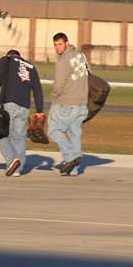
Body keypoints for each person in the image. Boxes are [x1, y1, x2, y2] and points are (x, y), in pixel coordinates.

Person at [0, 49, 44, 177]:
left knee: (0, 134)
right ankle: (17, 169)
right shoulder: (31, 67)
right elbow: (37, 90)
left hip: (8, 103)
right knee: (19, 138)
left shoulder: (6, 60)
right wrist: (39, 110)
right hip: (24, 107)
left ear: (9, 55)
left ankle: (11, 159)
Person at [48, 33, 89, 176]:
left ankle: (70, 156)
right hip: (82, 104)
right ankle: (75, 169)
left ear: (67, 43)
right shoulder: (80, 55)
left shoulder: (63, 60)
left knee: (53, 130)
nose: (57, 48)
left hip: (66, 103)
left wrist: (53, 98)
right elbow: (89, 73)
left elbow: (59, 84)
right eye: (55, 45)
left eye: (59, 44)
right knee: (74, 134)